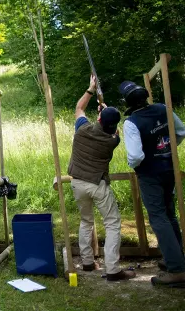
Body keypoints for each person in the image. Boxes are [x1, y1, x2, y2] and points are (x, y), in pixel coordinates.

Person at [120, 80, 185, 288]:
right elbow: (181, 133)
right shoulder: (162, 108)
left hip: (150, 174)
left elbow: (135, 156)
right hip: (169, 168)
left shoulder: (132, 122)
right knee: (169, 214)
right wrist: (168, 150)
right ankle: (176, 258)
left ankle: (177, 270)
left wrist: (141, 162)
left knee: (159, 217)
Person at [67, 75, 135, 281]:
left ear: (98, 120)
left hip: (77, 183)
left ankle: (87, 261)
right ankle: (113, 269)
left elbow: (79, 109)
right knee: (112, 223)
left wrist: (90, 89)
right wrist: (104, 113)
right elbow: (114, 131)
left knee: (86, 221)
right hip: (97, 184)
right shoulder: (113, 140)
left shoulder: (82, 130)